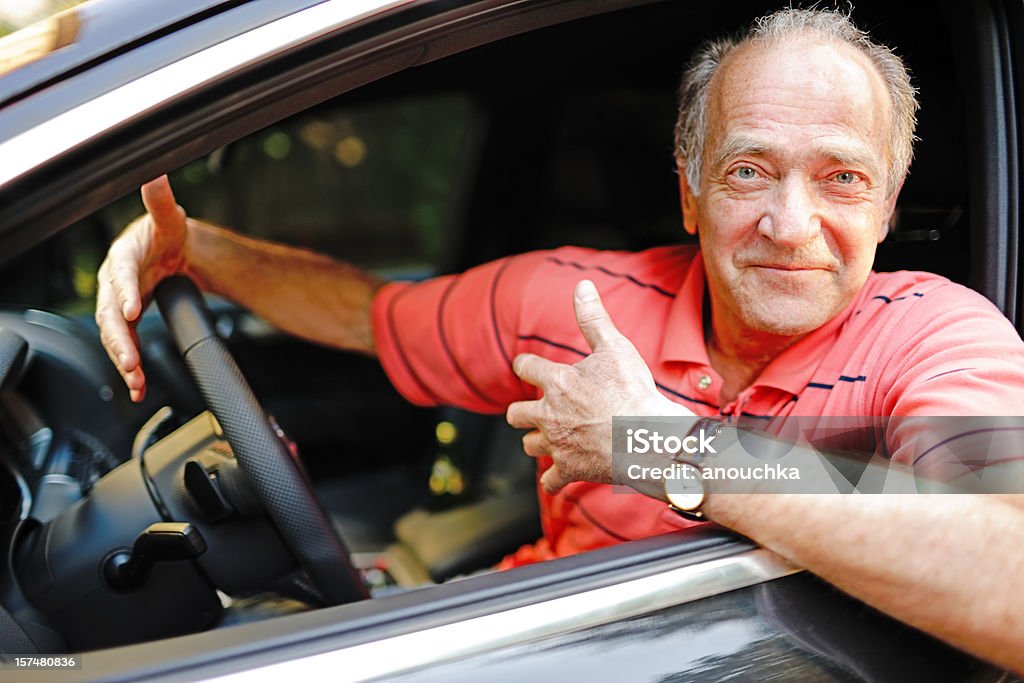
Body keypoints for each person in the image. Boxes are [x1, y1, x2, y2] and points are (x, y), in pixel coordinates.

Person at [96, 7, 1024, 672]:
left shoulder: (935, 335)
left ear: (889, 205)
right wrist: (195, 250)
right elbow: (368, 312)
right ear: (691, 191)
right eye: (749, 171)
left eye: (841, 179)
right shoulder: (573, 298)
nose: (789, 222)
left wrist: (659, 445)